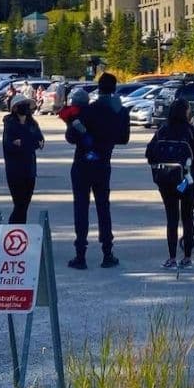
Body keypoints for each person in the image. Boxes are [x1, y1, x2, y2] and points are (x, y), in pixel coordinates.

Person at [65, 72, 131, 270]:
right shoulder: (119, 112)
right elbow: (124, 139)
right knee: (103, 208)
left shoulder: (87, 111)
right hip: (103, 164)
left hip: (82, 163)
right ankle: (107, 252)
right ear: (114, 89)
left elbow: (71, 137)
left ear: (99, 88)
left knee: (81, 208)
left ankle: (81, 255)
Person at [146, 98, 194, 269]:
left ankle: (171, 258)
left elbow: (149, 153)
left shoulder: (163, 131)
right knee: (187, 218)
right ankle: (187, 257)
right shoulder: (191, 132)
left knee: (171, 218)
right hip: (186, 180)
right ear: (186, 112)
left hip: (166, 180)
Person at [2, 93, 44, 225]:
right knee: (19, 203)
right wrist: (29, 142)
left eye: (27, 105)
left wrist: (25, 142)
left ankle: (20, 229)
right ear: (15, 108)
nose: (25, 108)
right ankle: (12, 229)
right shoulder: (10, 124)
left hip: (30, 169)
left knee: (25, 203)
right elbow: (10, 145)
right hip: (15, 170)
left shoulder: (32, 123)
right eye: (22, 106)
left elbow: (40, 141)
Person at [57, 88, 99, 162]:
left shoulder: (73, 111)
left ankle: (91, 154)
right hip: (87, 141)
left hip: (82, 143)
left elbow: (71, 137)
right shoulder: (90, 110)